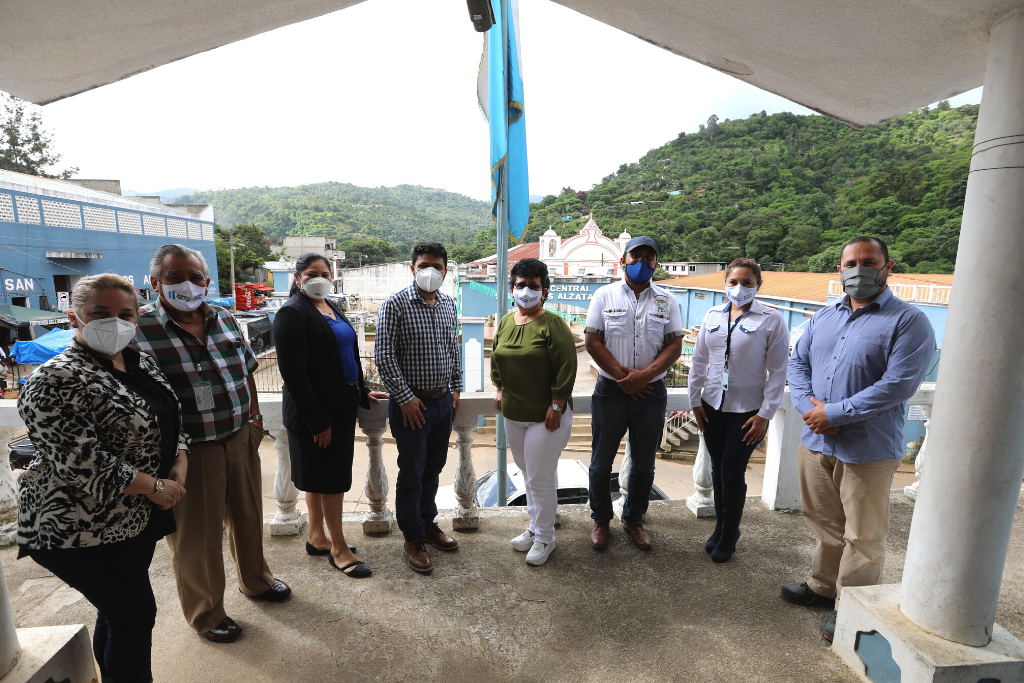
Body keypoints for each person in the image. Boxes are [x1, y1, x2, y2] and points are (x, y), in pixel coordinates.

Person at [17, 274, 189, 683]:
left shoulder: (137, 361)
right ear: (73, 315)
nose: (115, 322)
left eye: (124, 314)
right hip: (80, 527)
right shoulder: (54, 379)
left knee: (116, 614)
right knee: (134, 616)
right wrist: (159, 487)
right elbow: (83, 462)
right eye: (100, 313)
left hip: (133, 518)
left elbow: (168, 415)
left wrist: (180, 462)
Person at [783, 236, 935, 643]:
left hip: (866, 448)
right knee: (825, 525)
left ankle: (849, 609)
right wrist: (808, 408)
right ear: (840, 269)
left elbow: (898, 384)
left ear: (887, 267)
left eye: (869, 261)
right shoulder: (822, 318)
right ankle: (822, 586)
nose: (859, 269)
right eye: (851, 262)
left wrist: (833, 413)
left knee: (863, 536)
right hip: (816, 443)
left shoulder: (909, 321)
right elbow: (797, 364)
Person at [135, 244, 289, 643]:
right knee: (197, 540)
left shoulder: (222, 317)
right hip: (190, 453)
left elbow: (247, 372)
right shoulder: (138, 329)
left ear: (206, 281)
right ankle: (207, 614)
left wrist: (254, 420)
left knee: (248, 517)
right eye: (174, 277)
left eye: (195, 277)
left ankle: (256, 580)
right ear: (155, 283)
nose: (187, 285)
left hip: (240, 438)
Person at [273, 252, 388, 577]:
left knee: (320, 478)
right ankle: (338, 549)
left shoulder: (328, 306)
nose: (319, 278)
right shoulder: (291, 313)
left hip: (340, 405)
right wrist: (318, 421)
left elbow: (344, 355)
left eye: (325, 272)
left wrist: (362, 391)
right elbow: (293, 373)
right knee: (331, 480)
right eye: (311, 273)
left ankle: (317, 536)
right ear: (298, 278)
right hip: (317, 413)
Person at [584, 236, 683, 551]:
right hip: (611, 392)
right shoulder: (604, 295)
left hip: (651, 395)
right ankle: (601, 520)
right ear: (622, 261)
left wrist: (645, 377)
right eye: (635, 256)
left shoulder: (668, 300)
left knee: (644, 464)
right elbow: (592, 341)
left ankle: (633, 519)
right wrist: (624, 377)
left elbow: (674, 345)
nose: (642, 262)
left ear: (656, 263)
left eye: (649, 257)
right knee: (601, 462)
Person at [688, 259, 789, 563]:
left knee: (732, 473)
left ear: (759, 286)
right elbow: (699, 360)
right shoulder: (713, 315)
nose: (739, 288)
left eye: (747, 283)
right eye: (733, 282)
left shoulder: (772, 319)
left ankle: (730, 532)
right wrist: (695, 399)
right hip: (713, 406)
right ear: (725, 283)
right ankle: (720, 527)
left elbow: (778, 372)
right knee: (717, 471)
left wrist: (765, 415)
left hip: (748, 411)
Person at [375, 241, 462, 574]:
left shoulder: (447, 305)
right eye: (424, 265)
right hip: (411, 404)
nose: (430, 271)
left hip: (442, 402)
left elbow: (452, 351)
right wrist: (405, 397)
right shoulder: (395, 305)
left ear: (445, 270)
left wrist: (455, 389)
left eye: (437, 266)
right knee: (411, 473)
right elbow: (384, 355)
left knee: (433, 469)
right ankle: (412, 538)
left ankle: (428, 523)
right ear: (412, 268)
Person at [491, 258, 577, 566]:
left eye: (534, 286)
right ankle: (534, 526)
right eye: (520, 285)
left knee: (540, 478)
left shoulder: (552, 324)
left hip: (547, 417)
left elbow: (567, 367)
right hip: (513, 414)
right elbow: (497, 360)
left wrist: (557, 403)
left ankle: (545, 538)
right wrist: (498, 387)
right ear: (512, 288)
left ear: (545, 291)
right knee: (528, 475)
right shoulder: (505, 321)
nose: (526, 291)